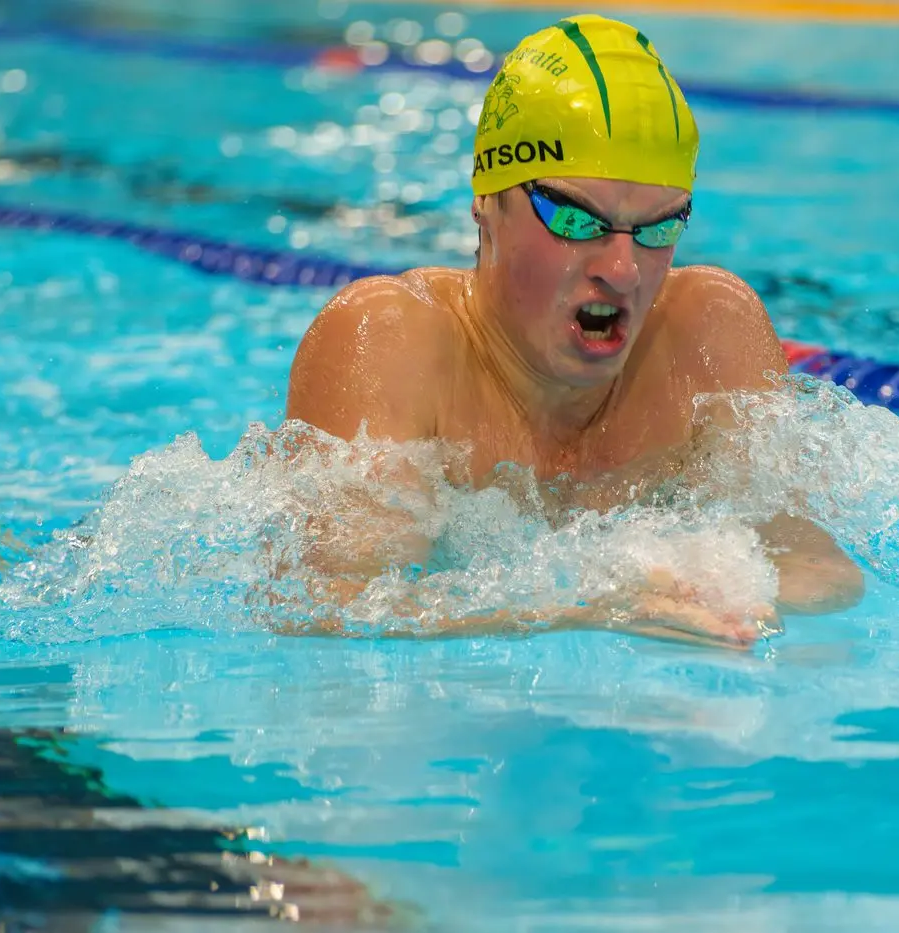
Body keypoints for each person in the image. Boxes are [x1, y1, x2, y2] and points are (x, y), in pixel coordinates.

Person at [284, 13, 863, 649]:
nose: (623, 271)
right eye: (576, 220)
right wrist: (589, 605)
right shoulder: (390, 340)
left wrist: (723, 588)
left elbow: (822, 571)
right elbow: (329, 606)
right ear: (487, 202)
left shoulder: (706, 332)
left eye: (659, 228)